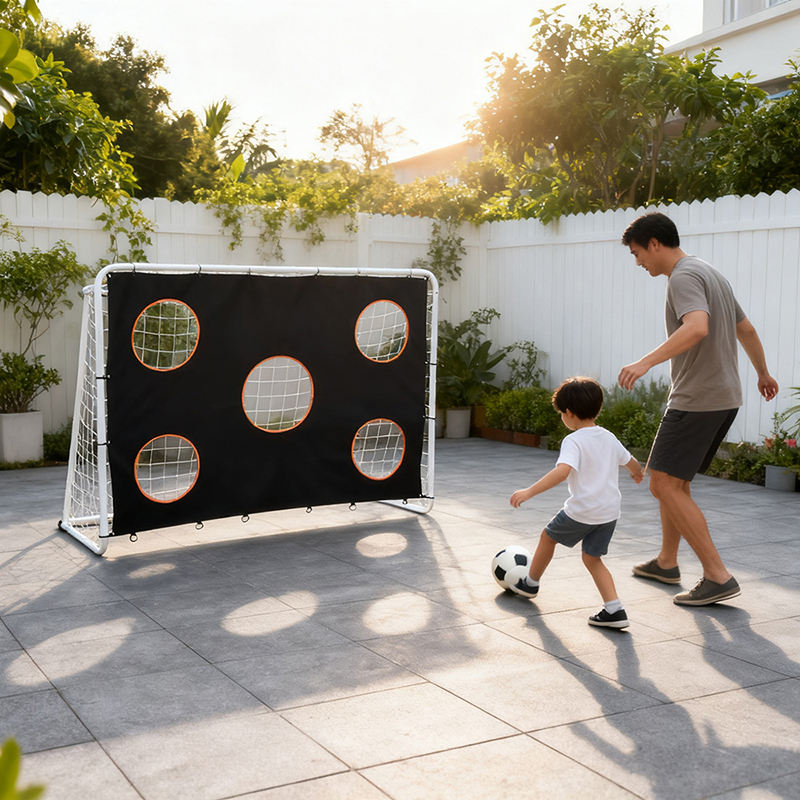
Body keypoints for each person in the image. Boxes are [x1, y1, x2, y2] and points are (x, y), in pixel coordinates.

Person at [618, 211, 779, 606]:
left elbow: (697, 327)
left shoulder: (683, 276)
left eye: (638, 253)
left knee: (661, 483)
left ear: (654, 243)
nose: (638, 263)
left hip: (698, 398)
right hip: (723, 397)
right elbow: (746, 329)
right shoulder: (710, 272)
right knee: (676, 482)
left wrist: (644, 363)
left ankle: (717, 576)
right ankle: (666, 562)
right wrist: (762, 372)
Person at [509, 376, 644, 629]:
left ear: (569, 413)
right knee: (592, 558)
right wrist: (637, 472)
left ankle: (530, 583)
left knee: (548, 537)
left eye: (561, 413)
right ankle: (614, 609)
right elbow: (630, 461)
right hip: (609, 513)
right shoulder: (608, 437)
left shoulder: (573, 441)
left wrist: (529, 492)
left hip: (583, 511)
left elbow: (562, 472)